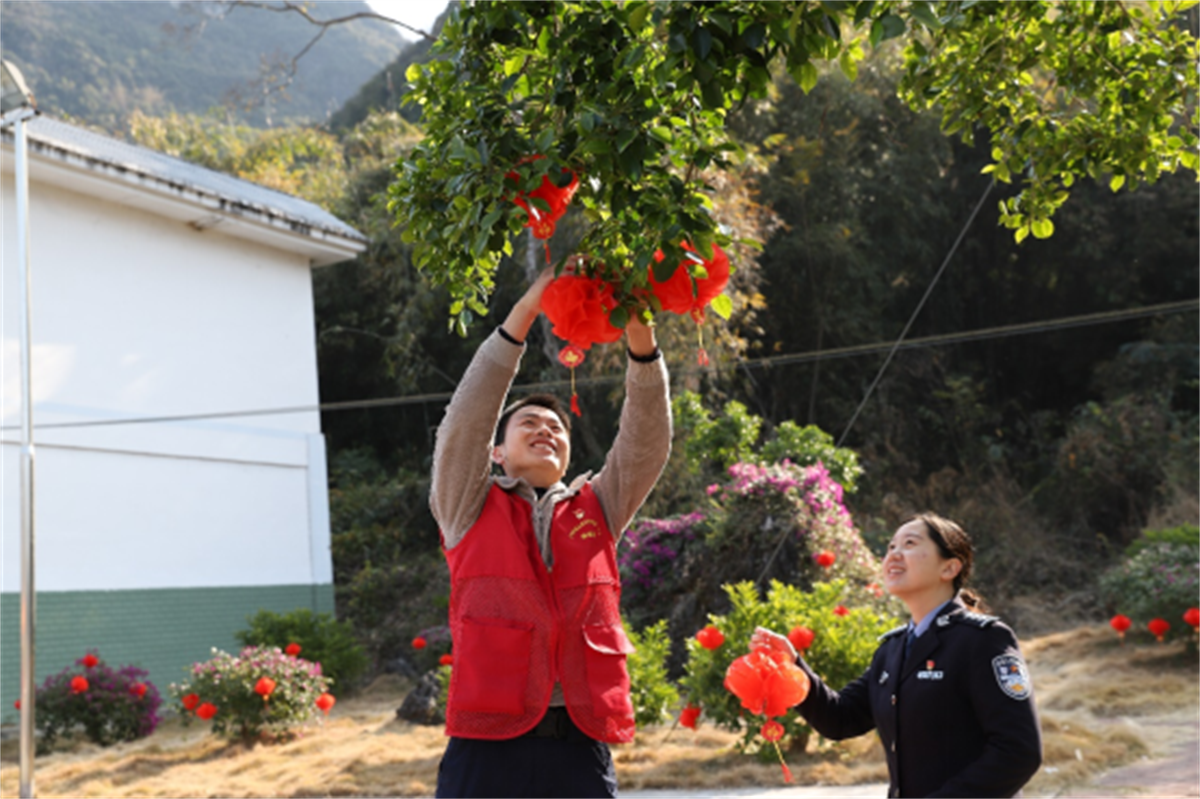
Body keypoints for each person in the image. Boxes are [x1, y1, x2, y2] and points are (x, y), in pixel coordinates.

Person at [429, 267, 672, 799]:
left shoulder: (600, 506)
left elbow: (646, 441)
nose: (546, 430)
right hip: (487, 747)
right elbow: (464, 423)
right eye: (528, 424)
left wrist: (640, 335)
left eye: (556, 427)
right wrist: (526, 311)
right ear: (496, 452)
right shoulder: (465, 504)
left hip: (578, 748)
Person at [751, 513, 1043, 799]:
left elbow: (1018, 751)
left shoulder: (982, 640)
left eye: (910, 544)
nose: (893, 554)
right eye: (891, 546)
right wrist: (792, 666)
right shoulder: (893, 649)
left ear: (949, 568)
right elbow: (840, 719)